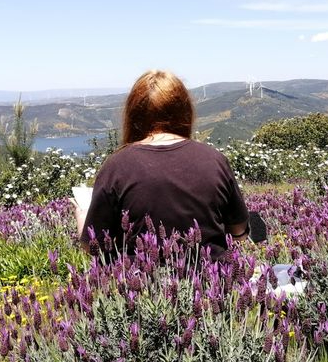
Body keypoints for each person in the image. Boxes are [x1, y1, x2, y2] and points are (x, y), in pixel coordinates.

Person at [73, 69, 250, 260]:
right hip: (213, 276)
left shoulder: (116, 165)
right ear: (185, 112)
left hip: (139, 277)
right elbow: (239, 232)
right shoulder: (215, 160)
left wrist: (83, 218)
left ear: (133, 115)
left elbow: (93, 246)